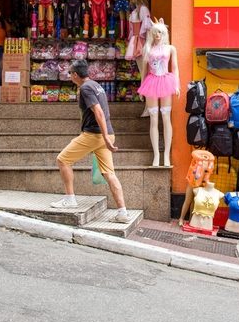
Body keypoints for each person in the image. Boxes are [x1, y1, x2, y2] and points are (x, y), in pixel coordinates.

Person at [51, 59, 130, 223]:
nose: (69, 76)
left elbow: (99, 112)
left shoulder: (86, 88)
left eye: (70, 73)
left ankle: (70, 199)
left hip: (95, 135)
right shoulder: (96, 85)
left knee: (63, 160)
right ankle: (122, 212)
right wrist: (106, 136)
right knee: (109, 173)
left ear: (75, 74)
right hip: (105, 134)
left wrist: (104, 137)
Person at [137, 20, 180, 167]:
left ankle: (166, 154)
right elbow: (144, 71)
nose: (157, 35)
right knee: (154, 119)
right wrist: (142, 87)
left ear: (164, 33)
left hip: (166, 81)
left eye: (160, 32)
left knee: (166, 117)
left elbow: (175, 68)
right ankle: (156, 154)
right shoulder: (147, 49)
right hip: (151, 82)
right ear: (152, 34)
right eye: (155, 32)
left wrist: (177, 85)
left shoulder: (170, 48)